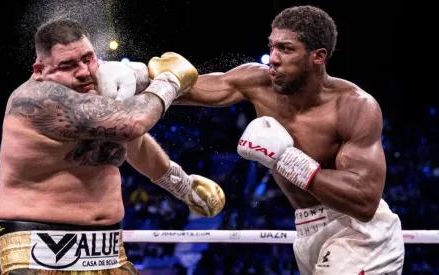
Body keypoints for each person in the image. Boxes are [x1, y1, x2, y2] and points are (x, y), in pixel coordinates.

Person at [174, 5, 405, 275]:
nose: (273, 58)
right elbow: (186, 88)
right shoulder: (257, 82)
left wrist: (287, 159)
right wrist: (139, 81)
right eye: (271, 46)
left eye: (285, 49)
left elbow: (365, 202)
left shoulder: (354, 106)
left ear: (318, 56)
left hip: (358, 233)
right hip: (307, 231)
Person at [0, 18, 225, 275]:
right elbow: (133, 123)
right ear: (40, 70)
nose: (83, 71)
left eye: (88, 59)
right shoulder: (39, 98)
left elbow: (132, 143)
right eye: (67, 65)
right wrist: (169, 80)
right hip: (40, 252)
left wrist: (183, 187)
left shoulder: (96, 94)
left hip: (108, 251)